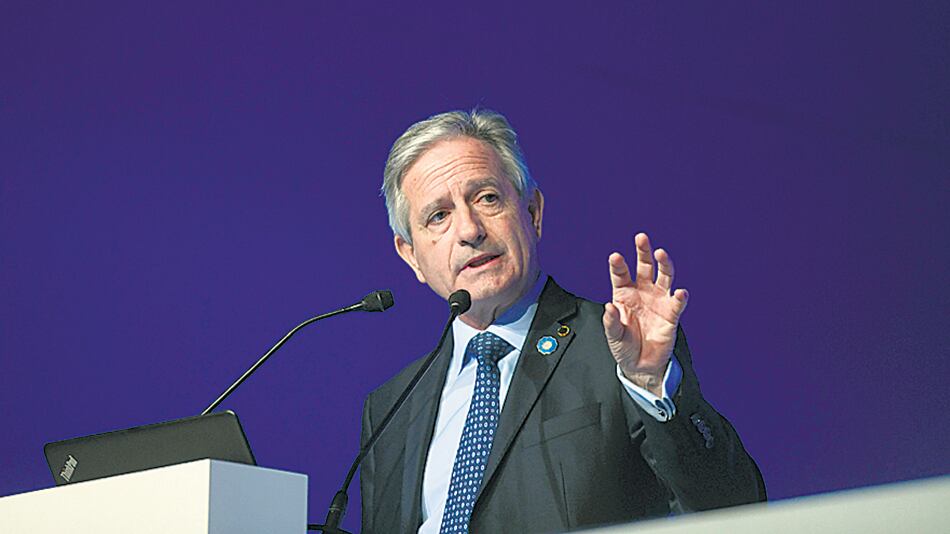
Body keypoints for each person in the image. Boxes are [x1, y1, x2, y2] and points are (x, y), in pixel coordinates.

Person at [359, 109, 766, 533]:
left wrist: (649, 385)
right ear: (411, 255)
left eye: (487, 198)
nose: (469, 229)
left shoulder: (618, 349)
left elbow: (735, 511)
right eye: (438, 216)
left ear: (532, 212)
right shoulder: (389, 410)